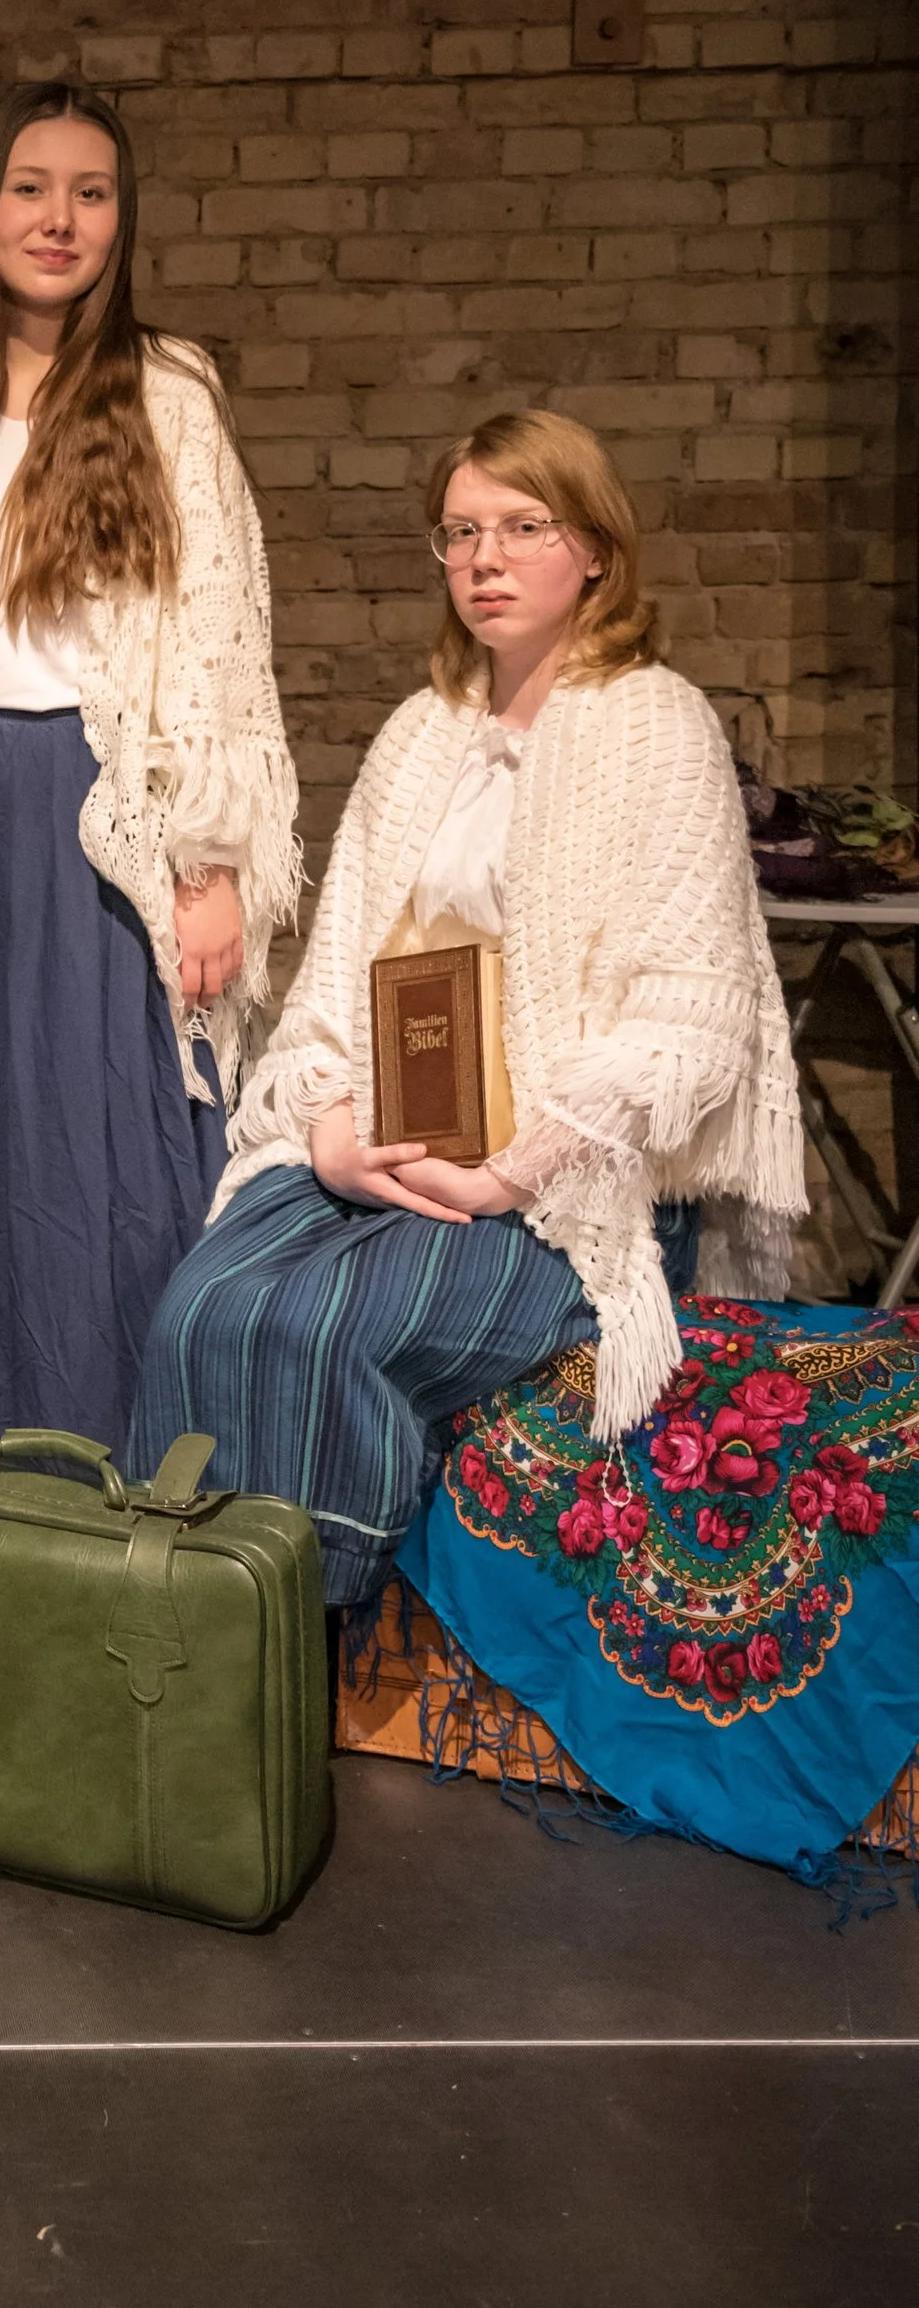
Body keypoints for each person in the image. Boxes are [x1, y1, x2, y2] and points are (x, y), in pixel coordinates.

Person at [124, 409, 803, 1604]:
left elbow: (691, 1023)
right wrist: (329, 1135)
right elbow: (335, 982)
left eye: (520, 527)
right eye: (459, 533)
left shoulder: (661, 728)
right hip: (389, 1149)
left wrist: (508, 1174)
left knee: (324, 1330)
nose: (483, 559)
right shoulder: (418, 735)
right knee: (200, 1307)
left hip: (564, 1188)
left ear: (593, 548)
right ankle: (170, 1636)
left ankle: (293, 1632)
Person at [0, 82, 300, 1454]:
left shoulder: (164, 393)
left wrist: (213, 863)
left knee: (105, 1148)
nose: (58, 217)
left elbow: (221, 641)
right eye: (30, 185)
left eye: (91, 191)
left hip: (92, 807)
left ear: (122, 221)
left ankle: (132, 1484)